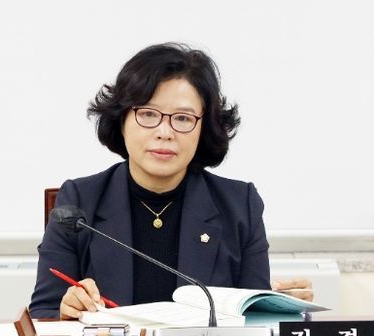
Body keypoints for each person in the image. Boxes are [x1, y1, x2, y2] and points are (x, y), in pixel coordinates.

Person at [29, 43, 311, 319]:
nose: (164, 132)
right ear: (121, 119)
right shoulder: (78, 203)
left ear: (204, 128)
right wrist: (67, 311)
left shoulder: (240, 206)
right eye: (148, 114)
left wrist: (284, 309)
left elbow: (255, 322)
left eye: (183, 118)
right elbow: (44, 313)